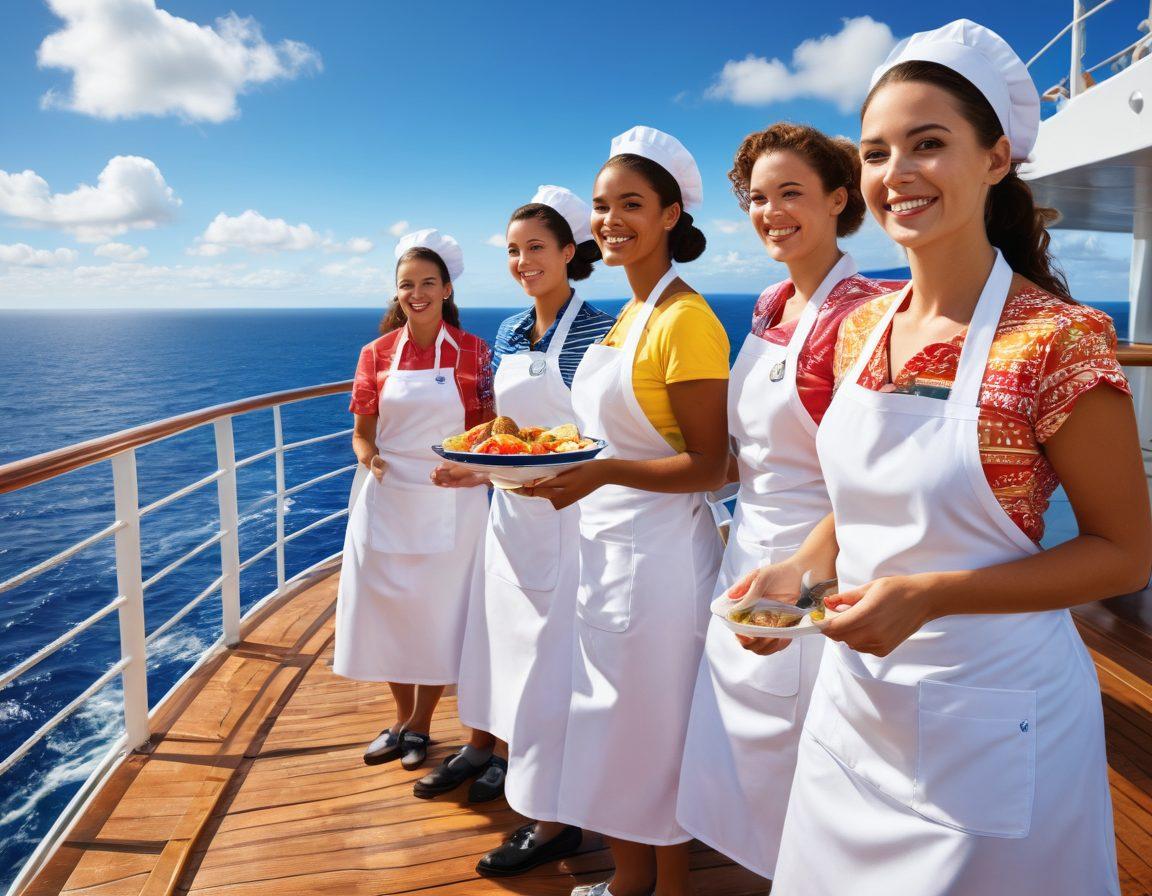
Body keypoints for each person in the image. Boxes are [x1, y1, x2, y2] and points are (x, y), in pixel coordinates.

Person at [734, 21, 1150, 895]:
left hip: (995, 710)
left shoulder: (1060, 341)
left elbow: (1124, 553)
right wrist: (801, 574)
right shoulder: (859, 329)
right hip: (858, 705)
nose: (899, 174)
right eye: (879, 152)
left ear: (997, 159)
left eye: (931, 144)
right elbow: (861, 501)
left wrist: (932, 596)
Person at [676, 122, 895, 881]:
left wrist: (809, 575)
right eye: (759, 199)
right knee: (745, 765)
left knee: (807, 777)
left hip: (818, 569)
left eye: (791, 194)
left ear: (841, 199)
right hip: (748, 553)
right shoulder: (772, 304)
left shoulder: (865, 315)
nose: (771, 212)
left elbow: (876, 471)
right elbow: (754, 450)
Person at [522, 126, 730, 896]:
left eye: (632, 204)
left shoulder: (686, 321)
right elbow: (610, 432)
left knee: (653, 735)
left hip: (662, 563)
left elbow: (712, 465)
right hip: (611, 551)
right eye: (603, 206)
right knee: (613, 731)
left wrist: (601, 469)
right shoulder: (629, 314)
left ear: (671, 214)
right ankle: (626, 884)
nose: (611, 220)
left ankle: (666, 888)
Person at [419, 187, 613, 878]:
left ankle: (553, 818)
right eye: (512, 250)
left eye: (536, 247)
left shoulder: (601, 332)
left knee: (549, 670)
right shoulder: (506, 332)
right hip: (510, 516)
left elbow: (598, 437)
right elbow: (511, 434)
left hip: (567, 522)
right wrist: (475, 473)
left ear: (569, 252)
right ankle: (487, 751)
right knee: (494, 647)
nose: (523, 260)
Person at [333, 229, 494, 772]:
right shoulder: (374, 354)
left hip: (452, 498)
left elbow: (486, 432)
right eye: (407, 285)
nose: (417, 293)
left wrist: (471, 470)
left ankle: (421, 726)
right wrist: (369, 458)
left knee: (437, 614)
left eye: (429, 283)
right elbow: (362, 432)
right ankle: (401, 718)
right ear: (396, 292)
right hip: (386, 496)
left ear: (447, 288)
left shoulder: (475, 353)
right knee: (391, 613)